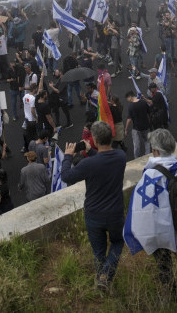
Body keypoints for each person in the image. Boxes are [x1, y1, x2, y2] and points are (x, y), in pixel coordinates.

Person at [124, 128, 177, 299]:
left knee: (163, 262)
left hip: (162, 228)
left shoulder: (151, 175)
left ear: (155, 151)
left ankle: (170, 294)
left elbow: (143, 209)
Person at [61, 120, 127, 292]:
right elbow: (104, 160)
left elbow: (66, 176)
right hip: (115, 212)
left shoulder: (88, 165)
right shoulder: (121, 157)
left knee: (98, 250)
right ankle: (105, 276)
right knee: (118, 242)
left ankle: (101, 278)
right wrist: (92, 151)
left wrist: (68, 155)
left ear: (95, 140)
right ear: (110, 138)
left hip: (94, 214)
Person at [124, 91, 151, 159]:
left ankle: (137, 158)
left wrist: (126, 129)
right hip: (146, 126)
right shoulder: (143, 102)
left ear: (130, 97)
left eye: (127, 99)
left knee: (136, 144)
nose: (127, 100)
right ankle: (148, 156)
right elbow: (148, 113)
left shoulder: (131, 106)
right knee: (147, 141)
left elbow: (129, 119)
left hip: (136, 128)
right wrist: (149, 122)